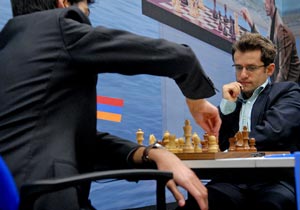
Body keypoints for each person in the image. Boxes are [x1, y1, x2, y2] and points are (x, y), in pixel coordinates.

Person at [0, 0, 222, 210]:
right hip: (45, 195)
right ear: (63, 4)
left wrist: (151, 153)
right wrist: (197, 102)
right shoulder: (59, 28)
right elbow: (181, 58)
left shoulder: (10, 48)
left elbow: (75, 142)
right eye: (86, 11)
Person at [206, 33, 300, 210]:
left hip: (274, 180)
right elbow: (216, 141)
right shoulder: (233, 100)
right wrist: (226, 106)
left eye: (251, 68)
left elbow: (274, 131)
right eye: (238, 67)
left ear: (269, 69)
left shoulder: (288, 92)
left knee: (271, 205)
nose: (242, 75)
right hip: (232, 181)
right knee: (201, 200)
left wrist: (230, 150)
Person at [241, 0, 300, 83]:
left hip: (292, 88)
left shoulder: (283, 32)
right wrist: (250, 22)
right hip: (281, 85)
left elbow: (283, 71)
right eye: (264, 4)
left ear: (272, 2)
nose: (265, 6)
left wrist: (274, 92)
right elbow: (264, 46)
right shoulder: (273, 27)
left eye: (266, 3)